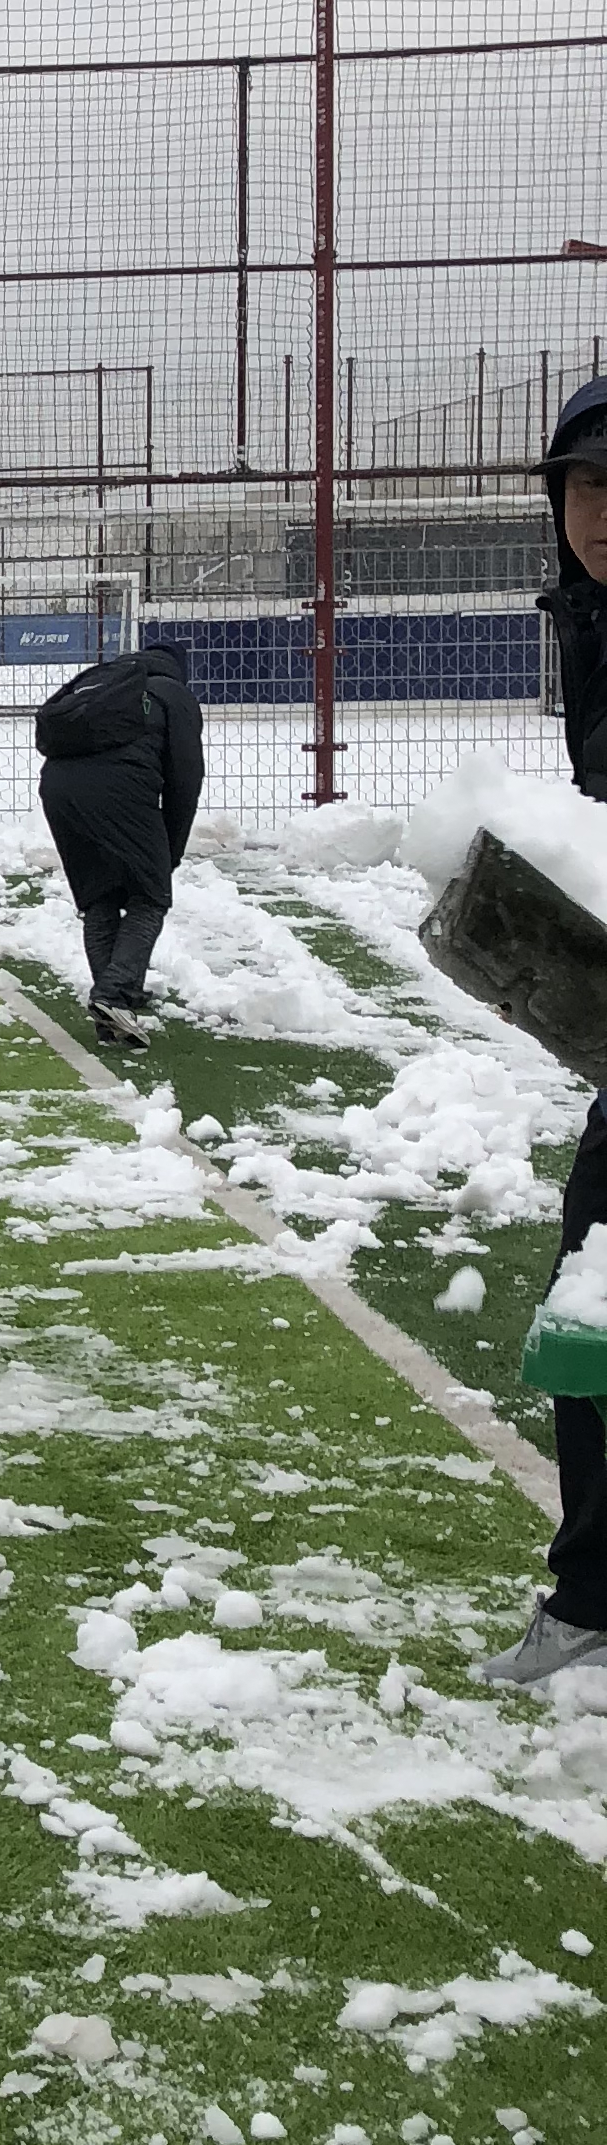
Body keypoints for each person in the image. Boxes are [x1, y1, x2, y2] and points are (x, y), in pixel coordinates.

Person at [481, 376, 607, 1688]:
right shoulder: (587, 619)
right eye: (584, 486)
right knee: (592, 1306)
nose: (604, 512)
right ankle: (591, 1599)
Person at [36, 639, 204, 1049]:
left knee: (101, 898)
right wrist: (169, 853)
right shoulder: (174, 695)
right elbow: (185, 780)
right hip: (122, 789)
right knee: (150, 897)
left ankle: (112, 1011)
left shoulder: (109, 685)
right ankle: (114, 994)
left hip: (59, 789)